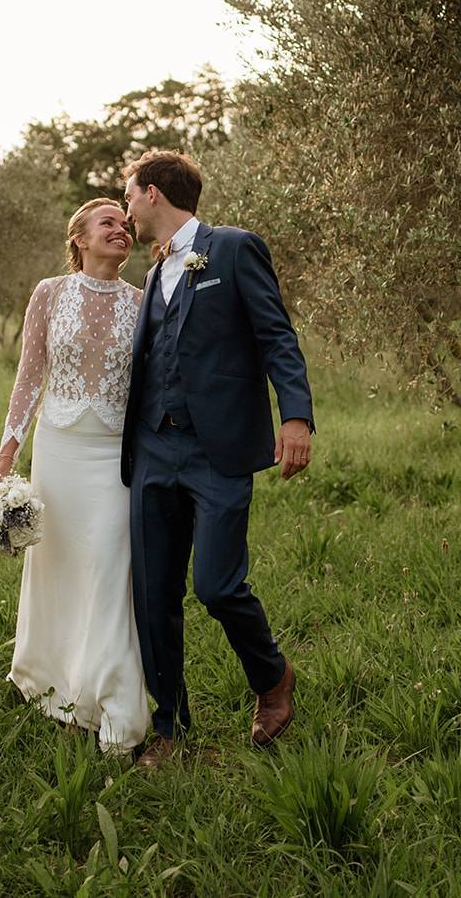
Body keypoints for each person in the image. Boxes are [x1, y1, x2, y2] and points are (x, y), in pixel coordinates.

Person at [120, 150, 314, 769]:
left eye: (130, 195)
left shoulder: (231, 248)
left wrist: (296, 416)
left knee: (217, 585)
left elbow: (276, 335)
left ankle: (272, 676)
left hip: (217, 448)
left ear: (153, 193)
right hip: (153, 448)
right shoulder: (153, 272)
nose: (127, 208)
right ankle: (170, 728)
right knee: (153, 593)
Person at [0, 198, 150, 754]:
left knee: (109, 567)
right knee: (55, 565)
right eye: (108, 223)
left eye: (125, 224)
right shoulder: (49, 294)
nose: (121, 229)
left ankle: (115, 706)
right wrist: (6, 457)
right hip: (58, 451)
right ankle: (47, 680)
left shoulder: (142, 302)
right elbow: (29, 376)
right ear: (79, 238)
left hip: (115, 457)